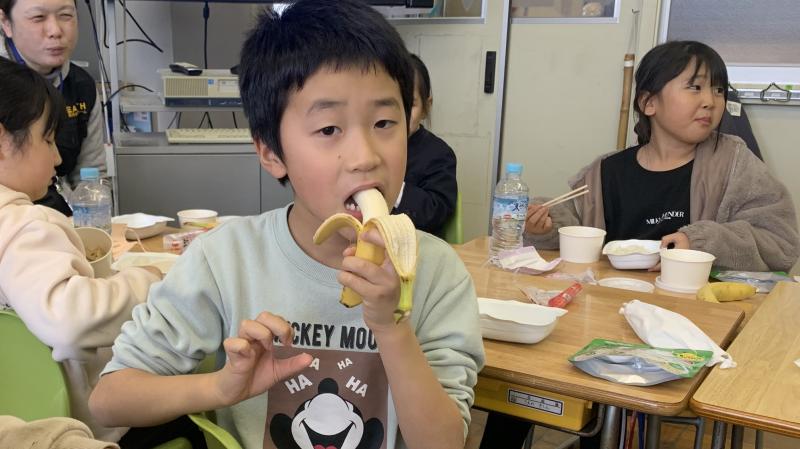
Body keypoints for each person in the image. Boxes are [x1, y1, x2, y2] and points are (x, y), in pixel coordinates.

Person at [88, 2, 485, 449]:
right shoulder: (225, 260)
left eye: (384, 122)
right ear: (271, 153)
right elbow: (109, 401)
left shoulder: (438, 274)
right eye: (329, 129)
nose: (366, 156)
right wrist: (220, 387)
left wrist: (393, 328)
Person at [0, 58, 197, 447]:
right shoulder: (24, 224)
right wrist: (146, 282)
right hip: (78, 424)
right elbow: (68, 319)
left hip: (17, 412)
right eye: (48, 139)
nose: (58, 158)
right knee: (191, 415)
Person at [524, 40, 799, 273]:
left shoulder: (734, 163)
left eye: (718, 90)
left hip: (697, 306)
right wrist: (545, 228)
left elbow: (781, 244)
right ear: (649, 103)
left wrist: (700, 244)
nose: (710, 101)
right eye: (695, 87)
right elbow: (573, 234)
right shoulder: (605, 172)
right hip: (612, 300)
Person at [0, 0, 106, 216]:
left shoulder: (82, 86)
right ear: (5, 23)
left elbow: (92, 176)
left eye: (65, 15)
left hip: (62, 216)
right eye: (38, 17)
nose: (55, 31)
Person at [392, 53, 458, 238]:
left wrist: (393, 188)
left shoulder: (439, 154)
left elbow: (437, 211)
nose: (401, 114)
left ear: (426, 107)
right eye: (391, 105)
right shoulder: (367, 148)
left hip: (418, 246)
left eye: (410, 105)